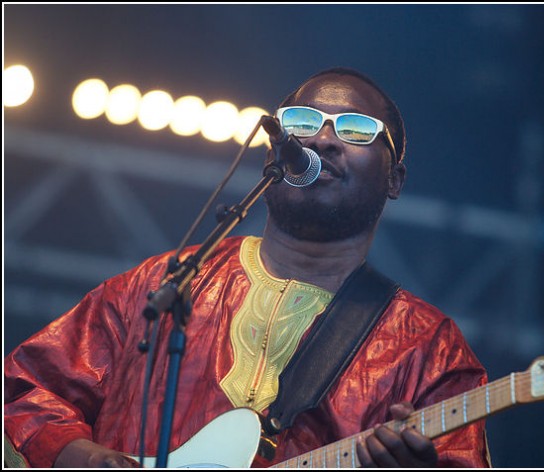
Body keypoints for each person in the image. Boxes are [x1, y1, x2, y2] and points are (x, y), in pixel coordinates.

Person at [4, 67, 491, 468]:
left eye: (356, 129)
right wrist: (78, 454)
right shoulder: (166, 282)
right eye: (302, 123)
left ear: (395, 179)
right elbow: (25, 384)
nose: (323, 140)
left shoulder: (429, 347)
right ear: (272, 154)